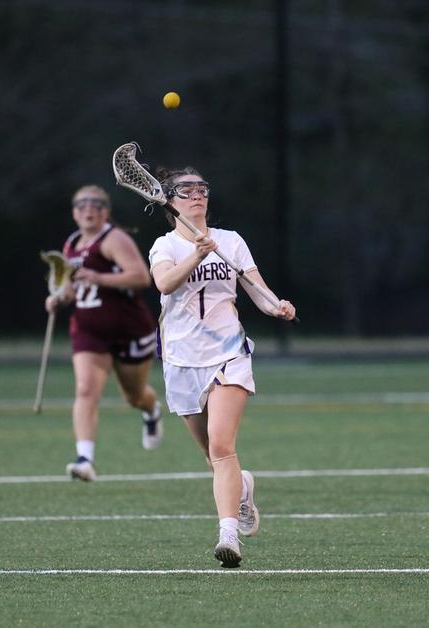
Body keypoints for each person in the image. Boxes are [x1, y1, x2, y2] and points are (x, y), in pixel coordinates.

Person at [148, 167, 296, 568]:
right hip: (181, 359)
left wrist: (276, 306)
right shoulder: (165, 247)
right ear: (170, 201)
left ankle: (228, 535)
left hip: (229, 351)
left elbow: (256, 289)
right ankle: (242, 487)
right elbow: (164, 285)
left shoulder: (230, 241)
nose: (197, 195)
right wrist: (197, 252)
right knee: (214, 457)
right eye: (186, 190)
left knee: (221, 444)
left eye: (202, 189)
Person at [46, 185, 163, 482]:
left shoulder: (114, 239)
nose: (89, 208)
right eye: (82, 204)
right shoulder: (71, 244)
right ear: (74, 212)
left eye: (96, 204)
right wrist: (58, 296)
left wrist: (99, 277)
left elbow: (141, 277)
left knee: (134, 396)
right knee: (85, 389)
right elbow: (70, 288)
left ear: (106, 211)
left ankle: (151, 410)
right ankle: (85, 458)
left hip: (128, 329)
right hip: (88, 330)